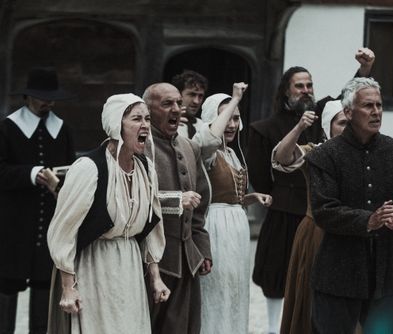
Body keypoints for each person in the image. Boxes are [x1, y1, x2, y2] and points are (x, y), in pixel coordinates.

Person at [247, 48, 375, 333]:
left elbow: (347, 100)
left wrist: (364, 70)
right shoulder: (264, 128)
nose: (306, 91)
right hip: (286, 211)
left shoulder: (324, 116)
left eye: (309, 85)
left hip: (324, 214)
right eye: (299, 86)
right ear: (285, 92)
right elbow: (263, 173)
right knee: (279, 275)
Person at [305, 77, 393, 333]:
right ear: (348, 112)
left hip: (388, 270)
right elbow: (323, 210)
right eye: (368, 106)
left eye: (379, 105)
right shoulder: (325, 156)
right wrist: (367, 220)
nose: (376, 112)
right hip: (337, 272)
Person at [46, 93, 168, 333]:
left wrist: (155, 276)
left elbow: (153, 225)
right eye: (136, 119)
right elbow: (63, 231)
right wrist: (68, 287)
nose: (144, 125)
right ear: (116, 124)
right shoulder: (89, 168)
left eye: (147, 119)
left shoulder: (146, 169)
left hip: (130, 263)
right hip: (95, 264)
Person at [0, 66, 76, 334]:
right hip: (15, 222)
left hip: (50, 223)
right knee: (8, 285)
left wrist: (63, 177)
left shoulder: (62, 129)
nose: (49, 103)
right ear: (28, 97)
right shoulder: (8, 128)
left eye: (51, 98)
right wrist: (31, 174)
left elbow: (71, 168)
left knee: (46, 287)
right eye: (43, 97)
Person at [198, 83, 272, 334]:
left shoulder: (232, 152)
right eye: (226, 118)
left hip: (236, 230)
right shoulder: (205, 152)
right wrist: (236, 99)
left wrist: (251, 198)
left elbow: (232, 197)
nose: (231, 125)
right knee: (216, 288)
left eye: (236, 118)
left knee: (235, 288)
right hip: (215, 227)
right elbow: (208, 142)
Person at [143, 83, 212, 334]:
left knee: (182, 328)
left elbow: (201, 204)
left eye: (178, 104)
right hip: (149, 260)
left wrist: (202, 248)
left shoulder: (190, 147)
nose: (176, 110)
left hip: (186, 259)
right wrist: (174, 201)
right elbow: (132, 199)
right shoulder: (139, 147)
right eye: (167, 104)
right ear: (149, 110)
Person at [272, 100, 346, 334]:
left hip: (352, 235)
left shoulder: (364, 155)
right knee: (314, 301)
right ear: (328, 126)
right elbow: (283, 158)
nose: (348, 127)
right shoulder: (315, 151)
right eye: (342, 123)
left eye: (350, 122)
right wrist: (299, 128)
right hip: (317, 234)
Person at [172, 70, 208, 139]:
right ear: (178, 94)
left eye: (200, 96)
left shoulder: (204, 126)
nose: (196, 101)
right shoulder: (164, 124)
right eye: (192, 94)